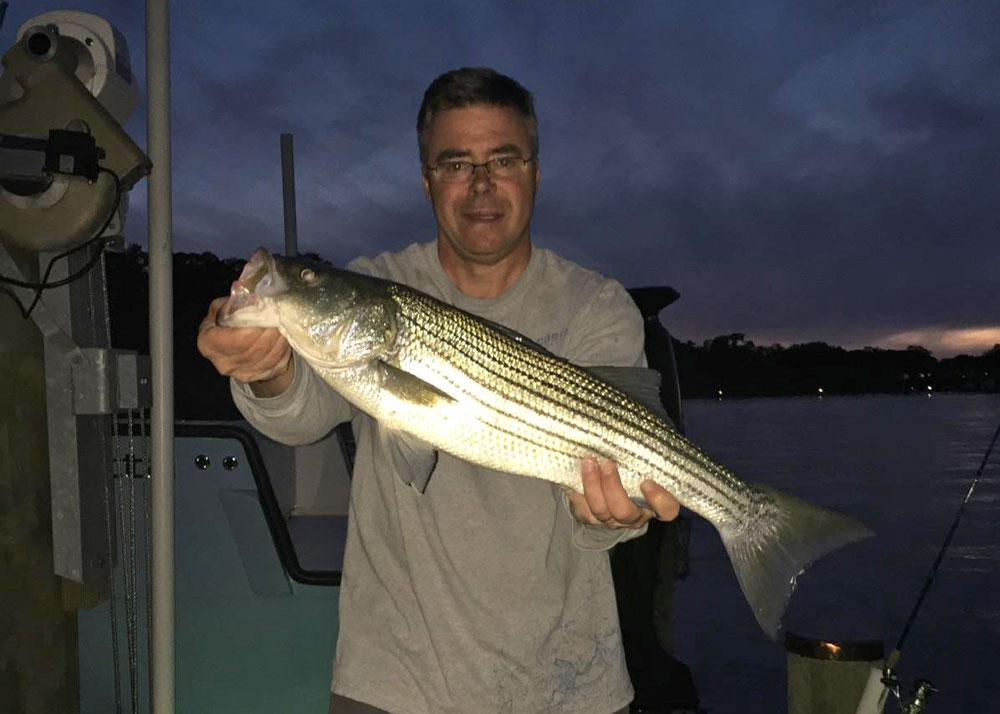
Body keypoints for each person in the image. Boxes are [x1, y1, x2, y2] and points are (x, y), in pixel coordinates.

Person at [198, 67, 680, 714]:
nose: (481, 184)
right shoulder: (379, 281)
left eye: (502, 159)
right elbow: (299, 416)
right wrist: (263, 367)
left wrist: (609, 518)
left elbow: (598, 515)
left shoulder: (597, 307)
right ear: (427, 182)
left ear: (534, 171)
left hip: (565, 684)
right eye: (456, 164)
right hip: (394, 681)